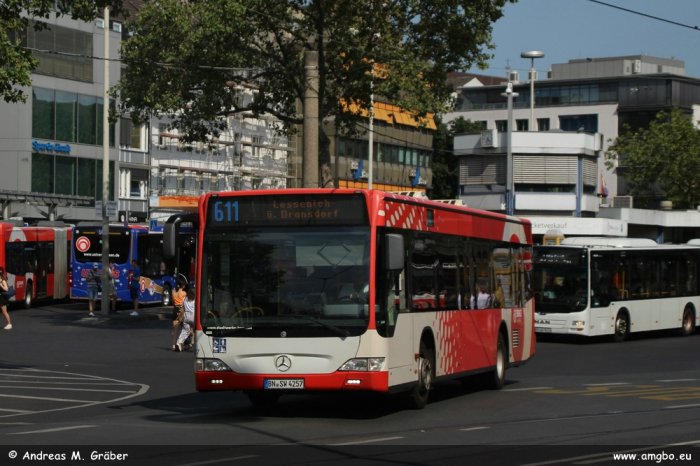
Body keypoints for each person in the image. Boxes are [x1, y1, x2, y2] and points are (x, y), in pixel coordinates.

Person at [171, 279, 187, 351]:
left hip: (175, 310)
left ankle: (174, 345)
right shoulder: (184, 293)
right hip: (181, 310)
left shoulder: (173, 292)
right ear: (183, 286)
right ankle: (182, 343)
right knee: (185, 328)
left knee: (175, 329)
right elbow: (185, 303)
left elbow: (172, 302)